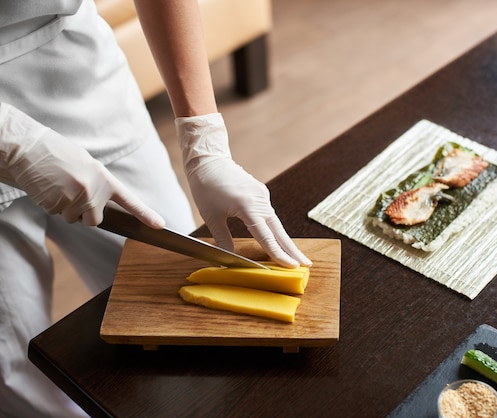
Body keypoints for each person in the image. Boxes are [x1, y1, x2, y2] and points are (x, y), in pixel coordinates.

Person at [0, 1, 311, 416]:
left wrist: (205, 140)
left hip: (75, 71)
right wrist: (12, 141)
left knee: (174, 294)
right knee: (14, 361)